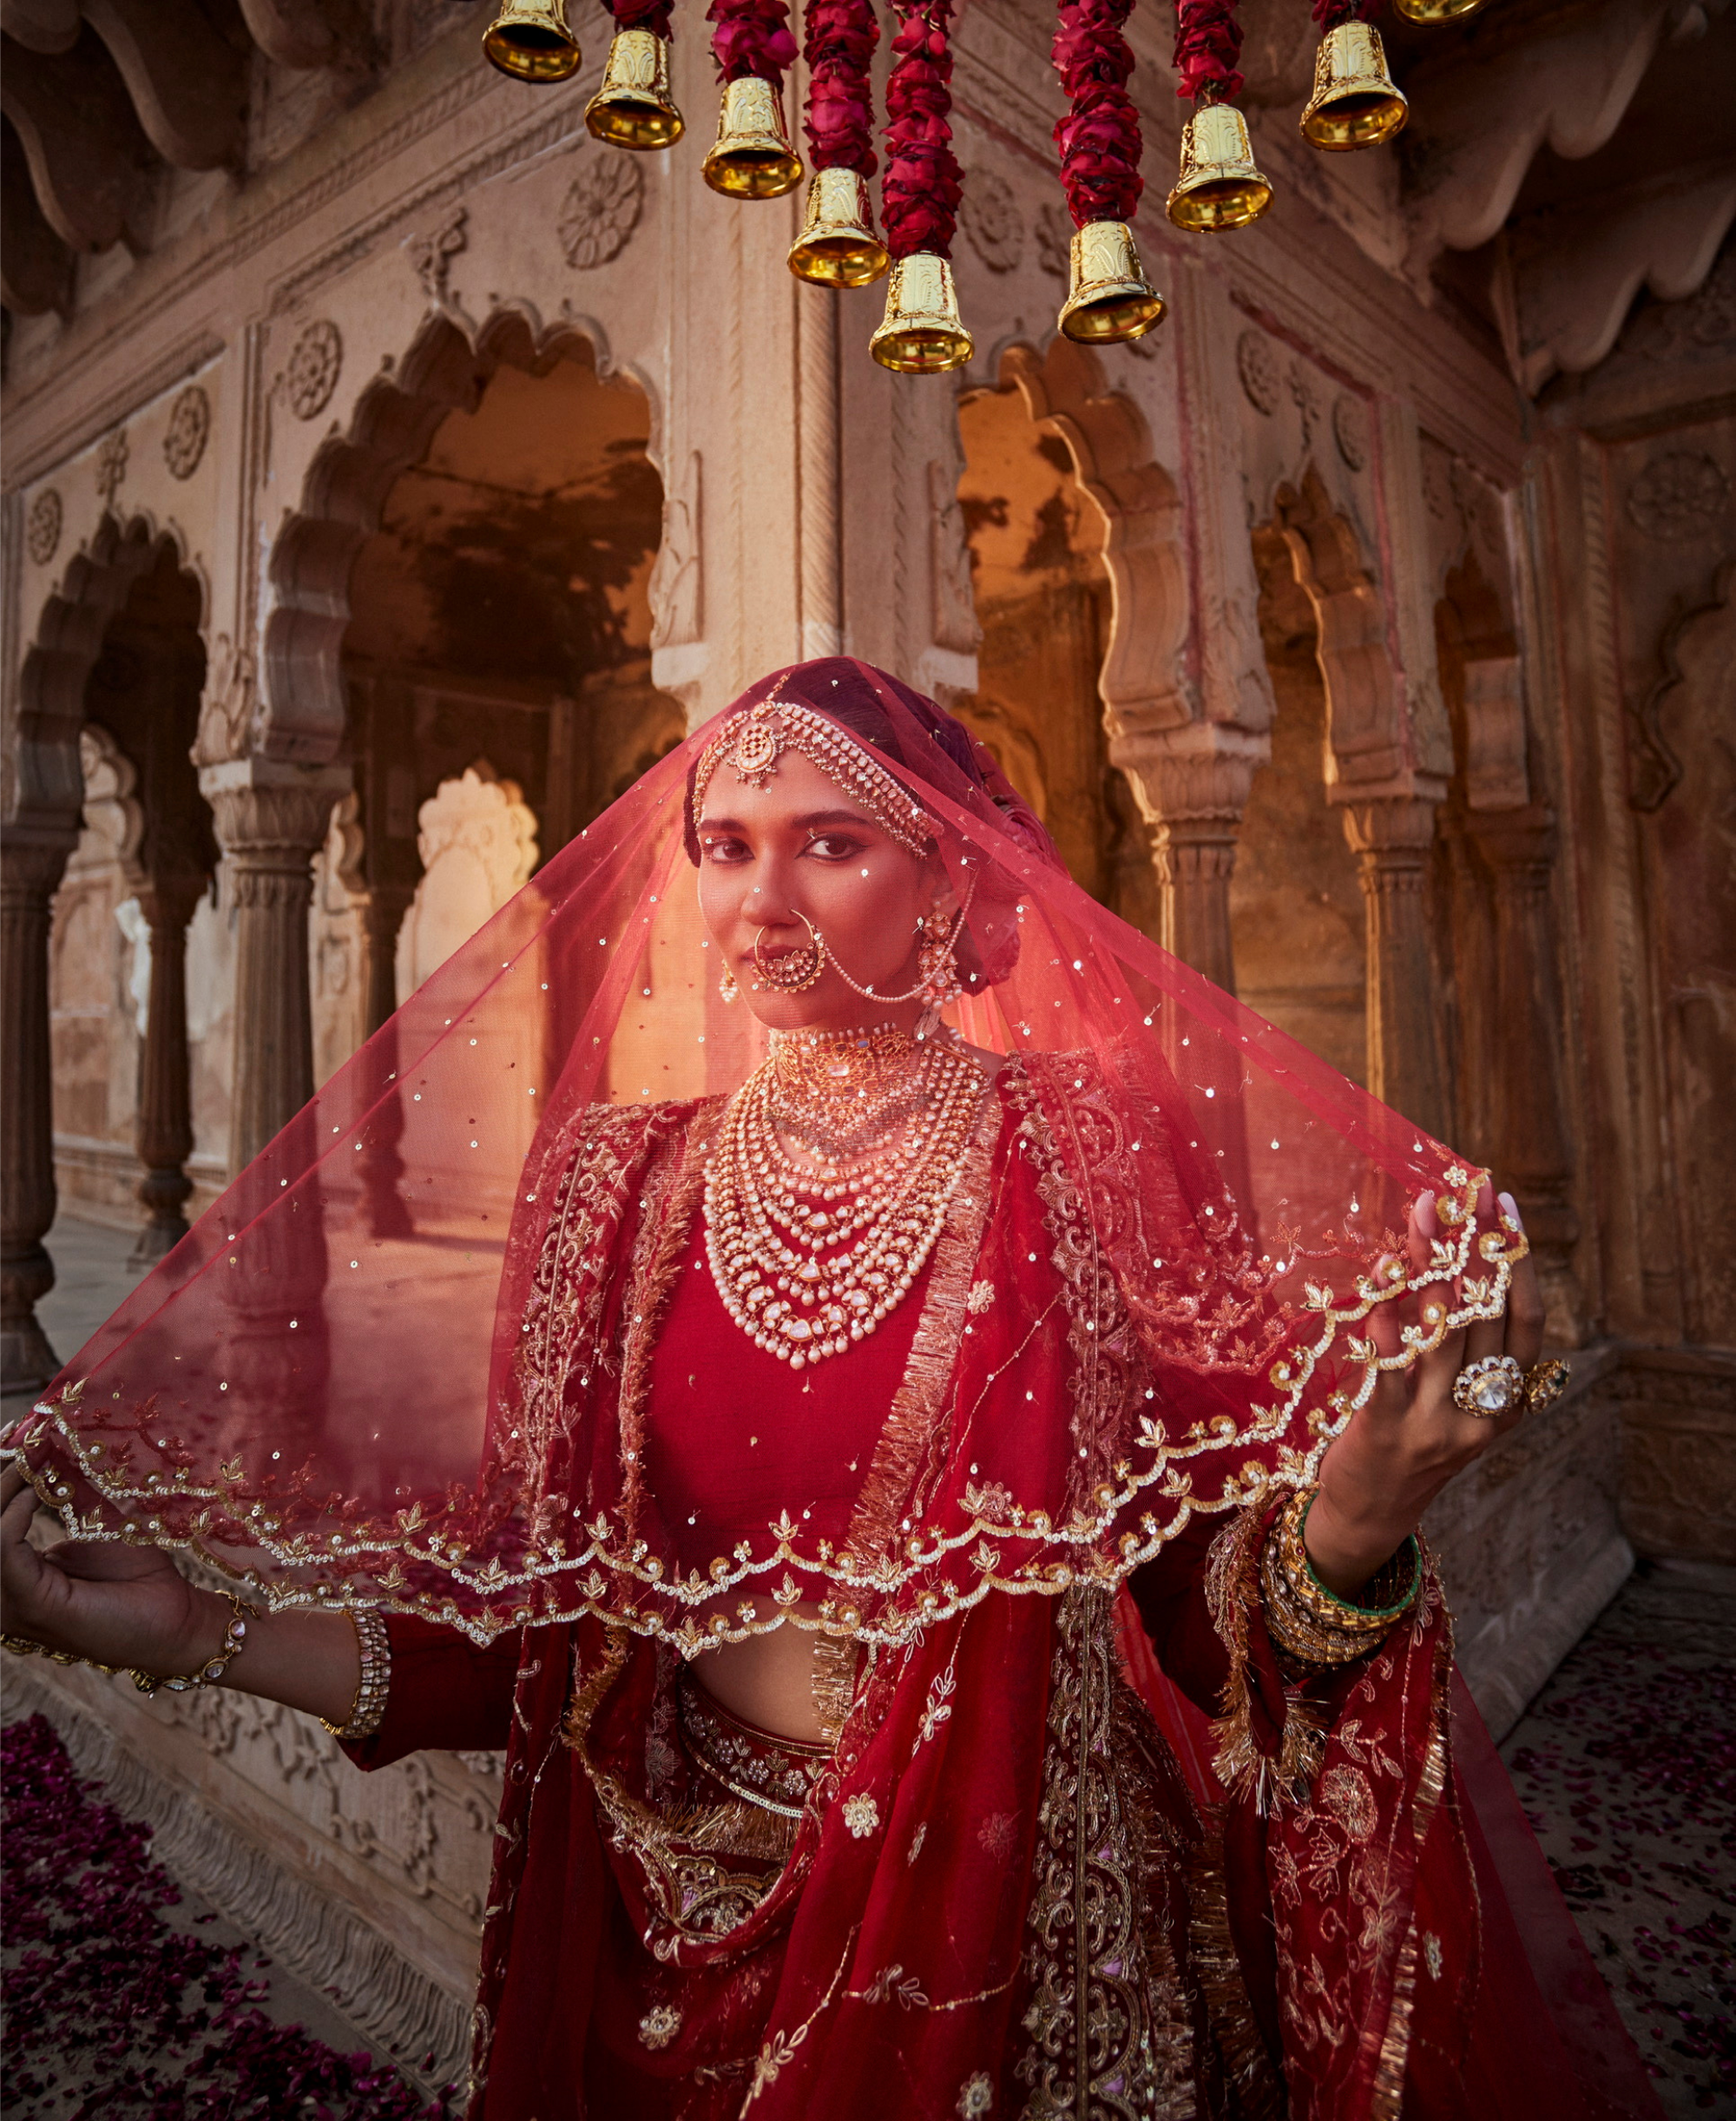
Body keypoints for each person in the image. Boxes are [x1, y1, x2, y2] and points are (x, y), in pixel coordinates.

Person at [1, 661, 1644, 2120]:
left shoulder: (1080, 1153)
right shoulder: (610, 1192)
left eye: (829, 841)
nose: (758, 899)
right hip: (654, 1953)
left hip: (1013, 1948)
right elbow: (533, 1647)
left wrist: (1348, 1529)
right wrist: (190, 1630)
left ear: (952, 876)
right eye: (725, 844)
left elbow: (1208, 1631)